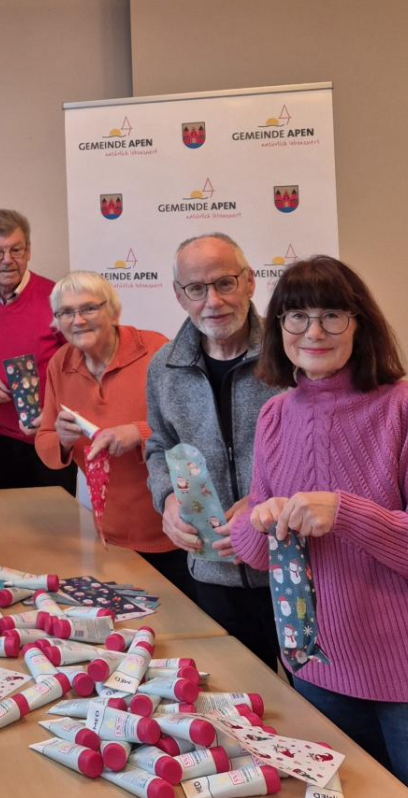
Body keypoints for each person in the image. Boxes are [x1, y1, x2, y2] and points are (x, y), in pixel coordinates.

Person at [230, 255, 408, 798]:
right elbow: (256, 553)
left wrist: (348, 514)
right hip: (320, 670)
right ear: (279, 329)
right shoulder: (275, 415)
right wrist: (257, 519)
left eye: (332, 315)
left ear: (359, 324)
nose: (314, 332)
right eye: (297, 316)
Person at [145, 234, 281, 667]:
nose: (213, 301)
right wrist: (167, 498)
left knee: (311, 698)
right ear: (179, 295)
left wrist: (265, 502)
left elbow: (320, 454)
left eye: (225, 283)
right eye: (196, 289)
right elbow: (160, 445)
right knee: (238, 690)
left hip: (290, 567)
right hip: (212, 573)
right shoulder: (164, 367)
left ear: (250, 282)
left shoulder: (290, 353)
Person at [34, 271, 193, 598]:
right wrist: (63, 440)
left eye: (89, 309)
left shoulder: (155, 350)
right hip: (109, 536)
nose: (78, 320)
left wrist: (137, 432)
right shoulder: (60, 364)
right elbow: (46, 442)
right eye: (66, 312)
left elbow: (192, 426)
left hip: (175, 530)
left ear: (113, 311)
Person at [0, 209, 73, 494]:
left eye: (16, 250)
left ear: (28, 251)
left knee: (54, 523)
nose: (7, 260)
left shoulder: (58, 298)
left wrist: (55, 414)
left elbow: (80, 369)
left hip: (49, 438)